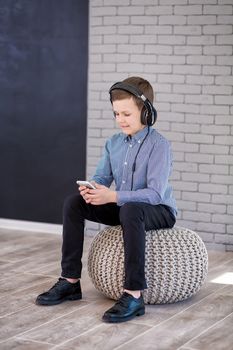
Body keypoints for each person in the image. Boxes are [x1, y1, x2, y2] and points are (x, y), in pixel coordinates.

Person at [36, 76, 177, 323]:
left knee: (131, 210)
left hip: (158, 210)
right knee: (74, 203)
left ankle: (134, 295)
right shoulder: (113, 143)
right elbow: (101, 176)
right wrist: (92, 189)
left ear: (146, 113)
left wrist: (112, 196)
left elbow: (155, 193)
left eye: (126, 114)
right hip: (125, 208)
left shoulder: (159, 145)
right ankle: (70, 281)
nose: (120, 120)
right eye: (116, 114)